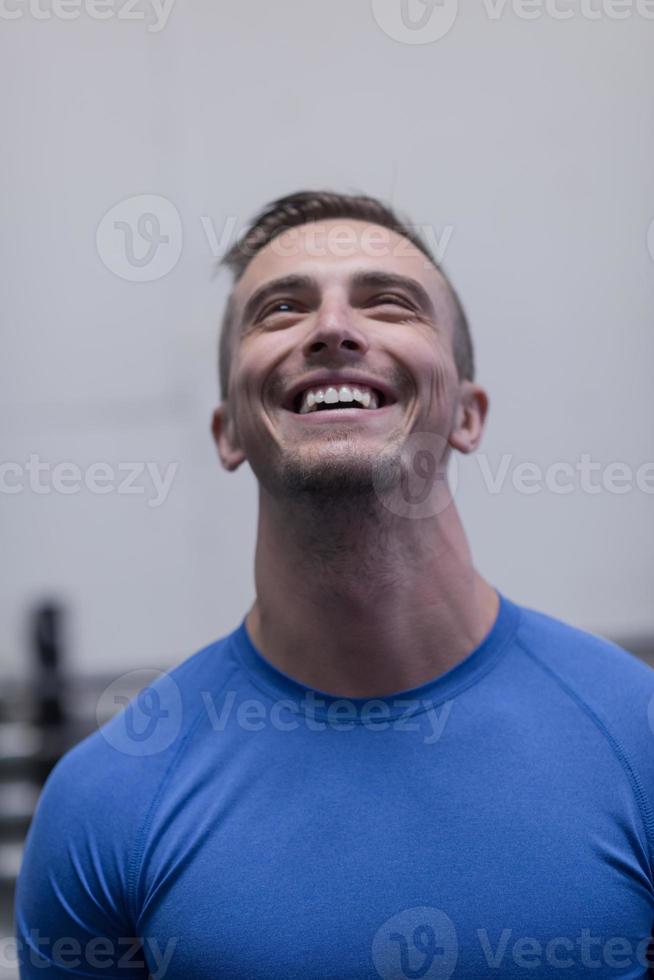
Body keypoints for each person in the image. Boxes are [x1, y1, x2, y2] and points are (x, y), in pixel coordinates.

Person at [14, 190, 654, 978]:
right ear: (227, 431)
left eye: (389, 304)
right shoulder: (107, 802)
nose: (333, 328)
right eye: (281, 310)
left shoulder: (638, 740)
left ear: (468, 413)